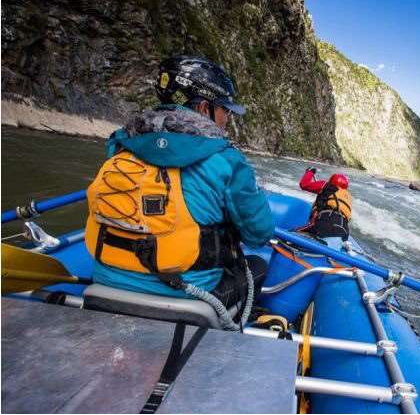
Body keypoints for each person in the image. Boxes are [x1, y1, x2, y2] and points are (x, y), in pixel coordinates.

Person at [84, 54, 274, 314]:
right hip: (188, 296)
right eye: (224, 109)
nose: (227, 117)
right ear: (203, 108)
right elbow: (259, 234)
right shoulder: (225, 159)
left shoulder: (120, 144)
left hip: (105, 283)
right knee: (257, 266)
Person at [296, 166, 352, 250]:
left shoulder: (328, 186)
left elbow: (304, 184)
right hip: (344, 232)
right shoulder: (347, 197)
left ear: (331, 181)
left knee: (293, 234)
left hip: (326, 224)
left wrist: (310, 172)